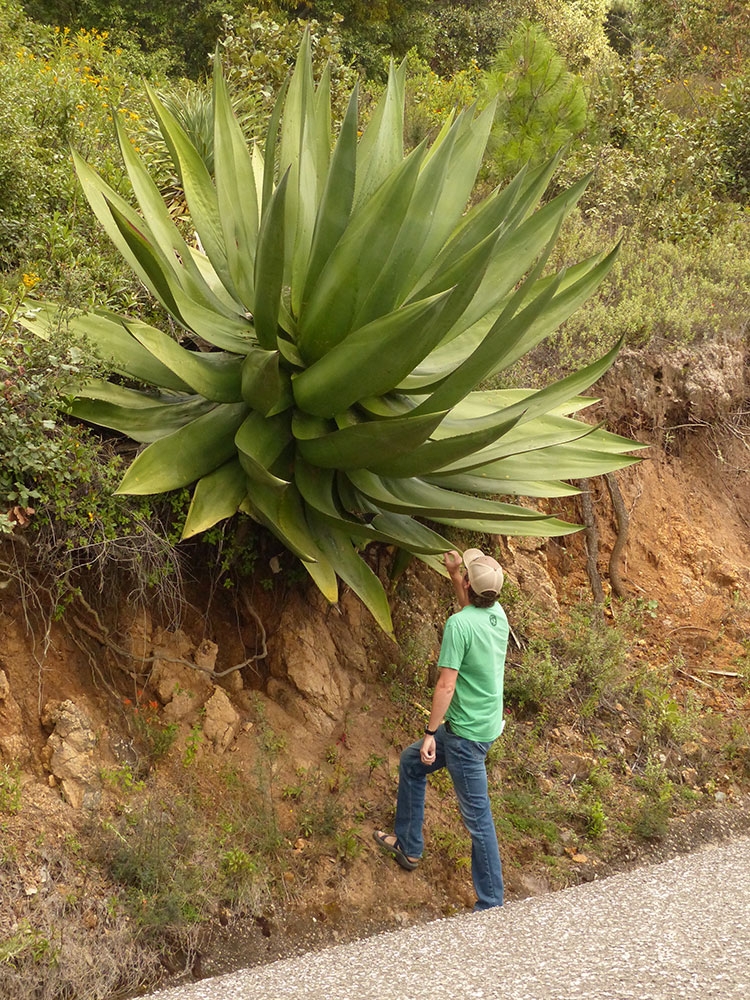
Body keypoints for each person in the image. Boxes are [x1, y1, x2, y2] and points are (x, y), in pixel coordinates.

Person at [373, 547, 509, 911]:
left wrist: (431, 733)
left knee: (478, 820)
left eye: (465, 572)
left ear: (470, 584)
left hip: (463, 736)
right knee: (411, 763)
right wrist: (454, 575)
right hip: (484, 726)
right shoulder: (497, 615)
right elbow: (471, 607)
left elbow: (446, 685)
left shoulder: (458, 625)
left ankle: (491, 904)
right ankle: (409, 847)